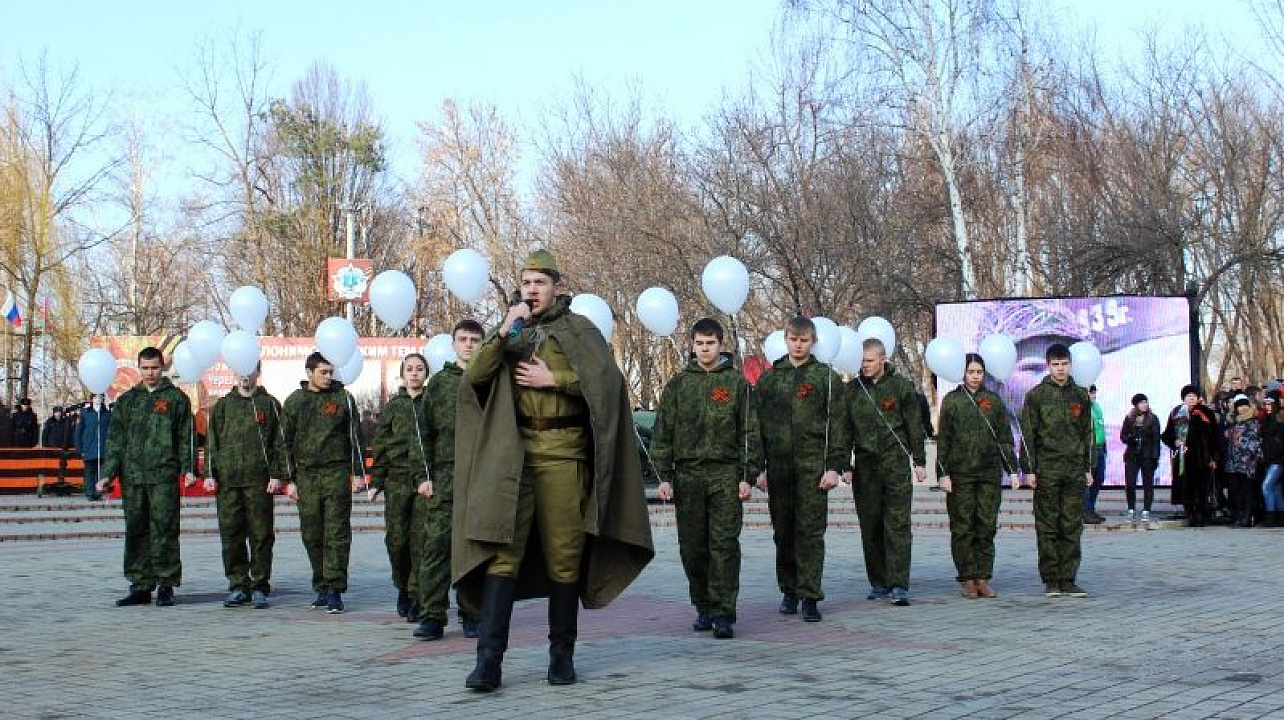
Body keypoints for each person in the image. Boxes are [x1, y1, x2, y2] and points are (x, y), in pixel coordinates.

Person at [452, 249, 653, 692]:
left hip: (563, 456)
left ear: (558, 286)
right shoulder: (512, 332)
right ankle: (488, 663)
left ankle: (561, 657)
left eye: (539, 283)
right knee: (501, 555)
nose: (531, 290)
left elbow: (608, 387)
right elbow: (475, 379)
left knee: (565, 555)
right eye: (526, 282)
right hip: (513, 458)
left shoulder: (580, 330)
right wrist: (503, 331)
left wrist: (555, 380)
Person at [652, 318, 763, 639]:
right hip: (687, 476)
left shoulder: (736, 384)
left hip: (725, 474)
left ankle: (723, 611)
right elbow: (663, 433)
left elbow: (749, 432)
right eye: (699, 343)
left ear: (720, 344)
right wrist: (664, 476)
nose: (705, 349)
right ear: (692, 345)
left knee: (724, 544)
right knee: (693, 547)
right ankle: (703, 605)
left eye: (710, 343)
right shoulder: (678, 385)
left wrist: (747, 475)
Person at [755, 316, 847, 622]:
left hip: (812, 468)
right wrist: (757, 468)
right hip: (778, 467)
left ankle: (810, 595)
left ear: (813, 342)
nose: (798, 345)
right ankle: (789, 590)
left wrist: (834, 466)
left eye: (804, 340)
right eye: (794, 339)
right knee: (783, 532)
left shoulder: (825, 378)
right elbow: (756, 427)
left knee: (810, 532)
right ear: (786, 339)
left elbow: (838, 426)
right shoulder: (769, 379)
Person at [97, 347, 196, 607]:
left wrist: (188, 469)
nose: (150, 372)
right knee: (136, 530)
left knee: (165, 529)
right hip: (133, 477)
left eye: (155, 367)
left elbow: (186, 437)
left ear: (162, 368)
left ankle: (166, 584)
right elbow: (115, 441)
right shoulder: (127, 401)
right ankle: (140, 585)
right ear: (138, 368)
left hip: (163, 476)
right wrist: (107, 474)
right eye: (145, 368)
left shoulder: (176, 399)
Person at [410, 321, 484, 641]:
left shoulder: (490, 377)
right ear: (453, 344)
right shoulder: (440, 383)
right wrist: (422, 476)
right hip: (444, 476)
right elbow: (422, 432)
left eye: (474, 340)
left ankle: (472, 613)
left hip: (480, 476)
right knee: (436, 547)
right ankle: (432, 615)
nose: (468, 344)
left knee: (474, 548)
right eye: (462, 339)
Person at [281, 352, 366, 614]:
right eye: (323, 372)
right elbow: (283, 442)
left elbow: (355, 437)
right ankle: (321, 585)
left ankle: (335, 589)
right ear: (309, 373)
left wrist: (358, 473)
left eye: (331, 372)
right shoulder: (295, 401)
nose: (328, 377)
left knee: (337, 533)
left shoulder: (343, 398)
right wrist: (289, 479)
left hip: (336, 473)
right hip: (306, 475)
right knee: (312, 533)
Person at [845, 337, 925, 606]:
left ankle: (898, 583)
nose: (865, 365)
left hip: (895, 465)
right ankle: (878, 582)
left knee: (898, 525)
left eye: (869, 360)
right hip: (865, 467)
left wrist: (919, 460)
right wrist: (844, 464)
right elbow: (844, 430)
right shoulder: (852, 390)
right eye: (862, 361)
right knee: (871, 524)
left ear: (883, 359)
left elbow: (914, 425)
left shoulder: (901, 386)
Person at [203, 366, 290, 609]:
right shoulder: (223, 406)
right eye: (240, 369)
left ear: (258, 371)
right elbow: (212, 441)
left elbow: (280, 442)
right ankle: (238, 585)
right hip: (228, 483)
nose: (245, 375)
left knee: (261, 535)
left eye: (250, 370)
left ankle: (260, 585)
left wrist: (277, 474)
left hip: (259, 482)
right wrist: (209, 473)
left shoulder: (269, 404)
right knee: (231, 535)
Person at [937, 353, 1016, 599]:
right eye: (971, 372)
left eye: (979, 372)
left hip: (989, 473)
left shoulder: (993, 400)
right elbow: (944, 439)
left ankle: (983, 577)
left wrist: (1012, 470)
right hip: (960, 474)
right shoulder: (952, 401)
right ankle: (967, 578)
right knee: (963, 527)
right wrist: (943, 473)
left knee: (986, 525)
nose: (975, 376)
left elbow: (1005, 437)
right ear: (963, 373)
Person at [1018, 343, 1093, 598]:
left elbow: (1087, 434)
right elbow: (1028, 435)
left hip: (1073, 470)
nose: (1060, 369)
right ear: (1048, 366)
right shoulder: (1036, 396)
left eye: (1064, 364)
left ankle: (1068, 578)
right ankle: (1051, 579)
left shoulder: (1080, 395)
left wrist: (1088, 467)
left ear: (1070, 365)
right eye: (1055, 364)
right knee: (1048, 525)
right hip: (1047, 470)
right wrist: (1029, 469)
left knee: (1071, 525)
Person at [369, 353, 432, 621]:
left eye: (419, 369)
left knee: (421, 540)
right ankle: (402, 586)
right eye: (410, 369)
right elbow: (382, 444)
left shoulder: (433, 402)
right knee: (397, 540)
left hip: (424, 482)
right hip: (397, 481)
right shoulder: (394, 407)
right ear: (403, 374)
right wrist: (376, 481)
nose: (414, 373)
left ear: (426, 373)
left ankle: (417, 594)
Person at [1161, 385, 1220, 527]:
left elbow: (1214, 436)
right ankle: (1190, 515)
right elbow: (1167, 434)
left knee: (1202, 487)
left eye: (1194, 396)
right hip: (1183, 458)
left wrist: (1214, 457)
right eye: (1188, 396)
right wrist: (1175, 441)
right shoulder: (1176, 413)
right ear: (1184, 398)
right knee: (1185, 488)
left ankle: (1201, 515)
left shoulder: (1206, 413)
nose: (1191, 398)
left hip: (1203, 457)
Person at [1119, 393, 1161, 524]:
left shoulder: (1153, 418)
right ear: (1136, 405)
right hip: (1132, 455)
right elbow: (1123, 436)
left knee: (1148, 483)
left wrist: (1155, 457)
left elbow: (1156, 439)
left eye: (1146, 402)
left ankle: (1146, 510)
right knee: (1130, 483)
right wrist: (1131, 438)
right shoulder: (1129, 418)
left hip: (1147, 456)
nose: (1144, 405)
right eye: (1142, 402)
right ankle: (1131, 509)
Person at [1223, 395, 1261, 527]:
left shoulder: (1252, 422)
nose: (1242, 408)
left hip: (1247, 462)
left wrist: (1244, 449)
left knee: (1247, 490)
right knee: (1235, 490)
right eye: (1240, 406)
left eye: (1245, 405)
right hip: (1233, 462)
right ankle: (1238, 516)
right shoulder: (1233, 422)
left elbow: (1254, 441)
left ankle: (1247, 516)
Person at [75, 395, 111, 502]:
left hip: (103, 447)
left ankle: (98, 492)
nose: (98, 400)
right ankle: (90, 493)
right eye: (95, 397)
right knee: (90, 471)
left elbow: (111, 432)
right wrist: (80, 448)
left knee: (100, 471)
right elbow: (79, 432)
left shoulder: (107, 414)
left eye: (100, 397)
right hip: (89, 447)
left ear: (103, 399)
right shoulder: (85, 413)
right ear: (92, 399)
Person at [1081, 386, 1107, 524]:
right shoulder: (1079, 407)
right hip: (1088, 449)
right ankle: (1084, 511)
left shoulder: (1097, 407)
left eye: (1094, 392)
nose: (1093, 395)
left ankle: (1090, 508)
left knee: (1099, 479)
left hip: (1099, 447)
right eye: (1090, 393)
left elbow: (1100, 427)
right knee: (1087, 481)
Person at [1259, 391, 1284, 527]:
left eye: (1270, 404)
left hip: (1278, 459)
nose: (1267, 406)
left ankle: (1270, 516)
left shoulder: (1280, 419)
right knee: (1276, 488)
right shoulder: (1266, 419)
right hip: (1269, 458)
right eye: (1265, 404)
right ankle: (1280, 516)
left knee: (1266, 486)